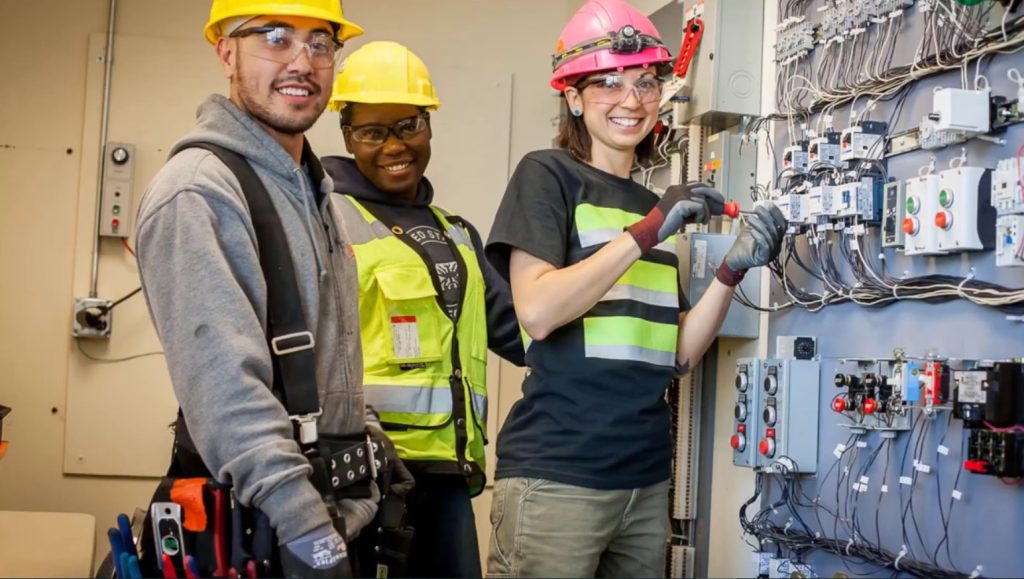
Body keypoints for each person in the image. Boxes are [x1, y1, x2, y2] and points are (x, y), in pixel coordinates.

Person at [483, 0, 787, 576]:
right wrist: (645, 234)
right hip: (558, 476)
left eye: (646, 83)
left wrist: (731, 272)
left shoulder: (654, 209)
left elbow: (676, 353)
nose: (632, 100)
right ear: (572, 96)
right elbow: (540, 311)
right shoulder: (548, 175)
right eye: (609, 83)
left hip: (645, 483)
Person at [135, 1, 377, 576]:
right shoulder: (199, 192)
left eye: (320, 42)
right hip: (263, 528)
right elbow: (227, 393)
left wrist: (368, 444)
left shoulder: (315, 190)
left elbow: (328, 357)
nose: (302, 61)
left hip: (330, 513)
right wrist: (306, 530)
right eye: (274, 37)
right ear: (225, 51)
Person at [320, 41, 525, 578]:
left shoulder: (455, 233)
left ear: (428, 124)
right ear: (347, 136)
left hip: (448, 477)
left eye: (408, 125)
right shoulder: (325, 219)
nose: (394, 146)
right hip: (364, 476)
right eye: (372, 131)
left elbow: (525, 332)